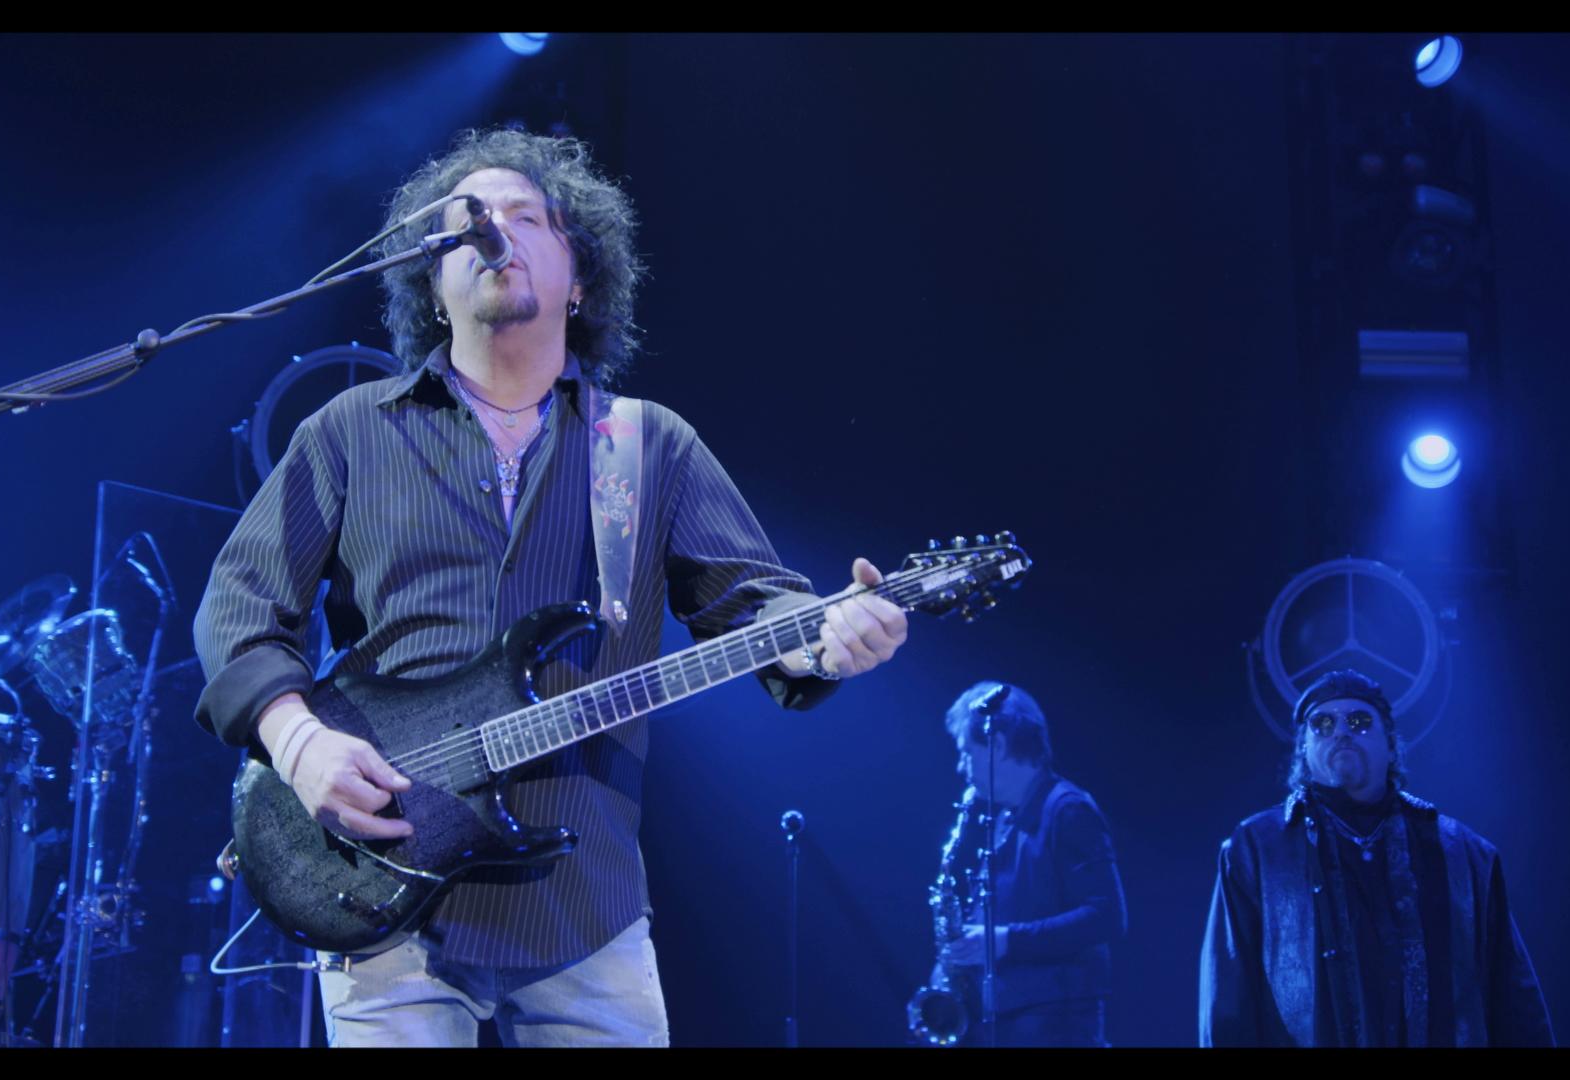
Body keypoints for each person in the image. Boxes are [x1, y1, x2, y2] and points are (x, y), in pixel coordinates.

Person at [192, 128, 908, 1047]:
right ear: (433, 284)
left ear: (579, 278)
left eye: (527, 218)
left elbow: (756, 606)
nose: (494, 231)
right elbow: (239, 608)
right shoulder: (349, 432)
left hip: (585, 908)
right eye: (464, 226)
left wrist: (823, 635)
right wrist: (298, 747)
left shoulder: (648, 445)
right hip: (383, 894)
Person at [1198, 669, 1554, 1046]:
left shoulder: (1464, 853)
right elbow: (1229, 999)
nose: (1341, 732)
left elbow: (1513, 997)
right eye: (1322, 723)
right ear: (1303, 747)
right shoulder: (1255, 850)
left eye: (1358, 721)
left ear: (1391, 745)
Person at [939, 681, 1126, 1047]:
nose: (961, 768)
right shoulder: (1007, 819)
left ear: (998, 745)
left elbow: (1107, 916)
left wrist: (1004, 940)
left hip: (1056, 1024)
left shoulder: (1068, 808)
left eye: (966, 753)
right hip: (1008, 1021)